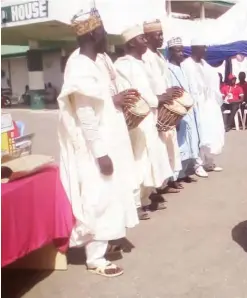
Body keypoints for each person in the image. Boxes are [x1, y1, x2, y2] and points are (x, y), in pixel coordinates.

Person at [57, 8, 139, 277]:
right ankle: (95, 259)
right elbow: (85, 114)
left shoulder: (100, 60)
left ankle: (105, 244)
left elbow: (104, 97)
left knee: (113, 195)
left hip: (112, 138)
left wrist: (118, 100)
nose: (106, 34)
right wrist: (100, 153)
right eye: (103, 29)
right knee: (98, 198)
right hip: (95, 146)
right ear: (93, 32)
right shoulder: (79, 65)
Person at [114, 24, 173, 218]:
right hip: (138, 119)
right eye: (142, 38)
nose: (146, 41)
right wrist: (158, 99)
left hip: (150, 116)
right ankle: (134, 203)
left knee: (151, 158)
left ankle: (146, 198)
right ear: (131, 42)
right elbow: (137, 92)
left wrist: (161, 98)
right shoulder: (124, 64)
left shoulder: (142, 62)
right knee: (139, 159)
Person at [142, 19, 183, 192]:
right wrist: (158, 99)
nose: (161, 38)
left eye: (161, 34)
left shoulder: (159, 56)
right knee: (156, 149)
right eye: (157, 35)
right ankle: (154, 190)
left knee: (168, 145)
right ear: (147, 37)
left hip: (165, 105)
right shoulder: (145, 57)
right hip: (154, 106)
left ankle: (165, 183)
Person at [182, 39, 225, 174]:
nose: (205, 50)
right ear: (195, 48)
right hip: (196, 105)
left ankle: (209, 162)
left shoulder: (205, 65)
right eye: (203, 47)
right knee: (199, 134)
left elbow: (212, 80)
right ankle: (197, 164)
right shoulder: (186, 65)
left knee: (211, 132)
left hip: (208, 104)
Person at [166, 37, 201, 182]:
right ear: (171, 52)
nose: (181, 54)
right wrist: (176, 115)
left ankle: (184, 171)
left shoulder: (183, 68)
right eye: (178, 51)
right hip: (178, 111)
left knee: (190, 140)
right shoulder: (168, 69)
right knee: (179, 143)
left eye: (182, 51)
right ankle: (175, 176)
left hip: (189, 110)